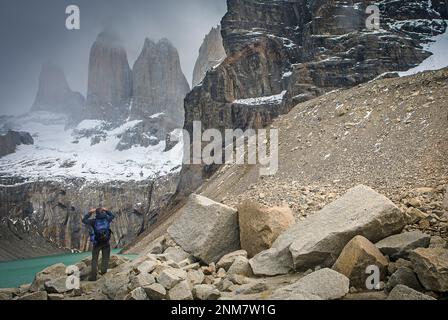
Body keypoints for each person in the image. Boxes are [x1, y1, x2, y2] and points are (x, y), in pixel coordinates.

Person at [82, 207, 115, 281]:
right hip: (106, 242)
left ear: (96, 213)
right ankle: (104, 272)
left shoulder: (93, 221)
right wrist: (107, 210)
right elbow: (113, 216)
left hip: (97, 243)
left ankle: (93, 276)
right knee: (105, 258)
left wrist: (90, 212)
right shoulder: (107, 219)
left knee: (94, 259)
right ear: (103, 212)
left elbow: (83, 220)